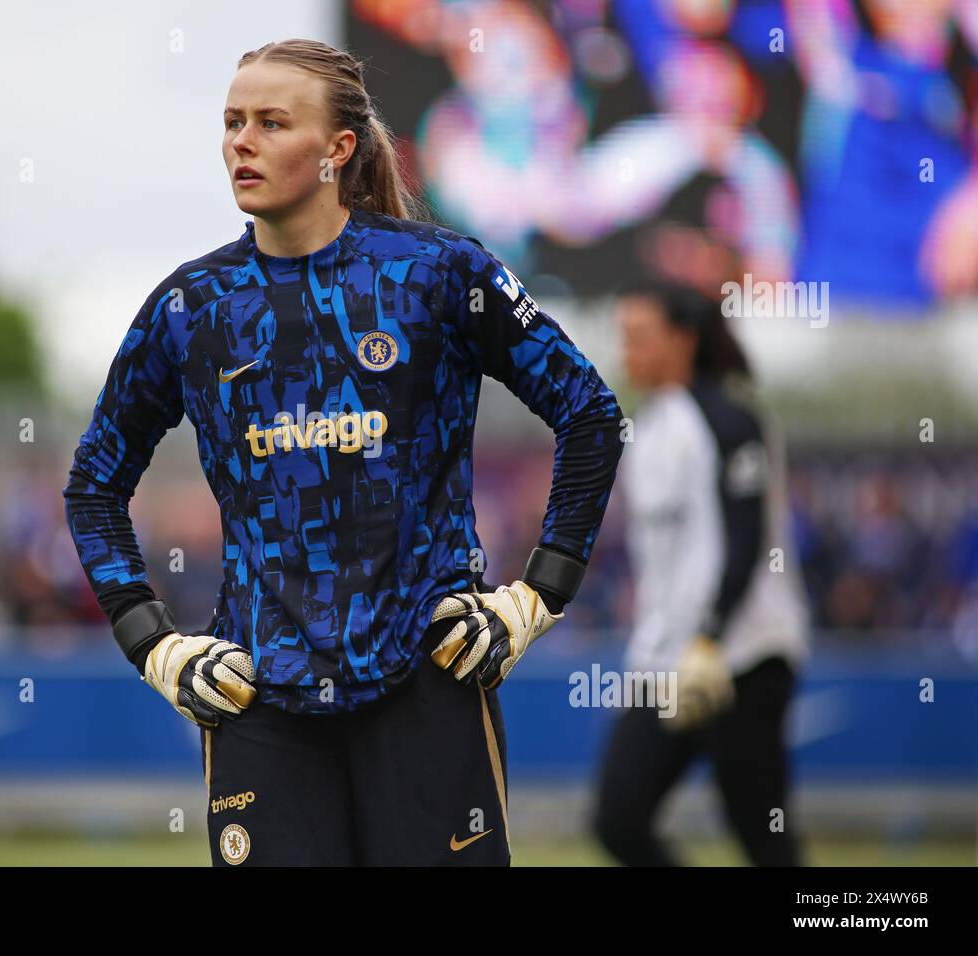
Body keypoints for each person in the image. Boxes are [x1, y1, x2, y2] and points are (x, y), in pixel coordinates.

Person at [63, 38, 624, 866]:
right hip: (259, 704)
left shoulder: (438, 273)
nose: (241, 142)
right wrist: (153, 642)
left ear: (338, 149)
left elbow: (591, 413)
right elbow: (93, 486)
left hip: (430, 685)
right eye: (231, 122)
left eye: (271, 122)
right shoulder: (191, 306)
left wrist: (537, 596)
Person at [593, 280, 809, 866]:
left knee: (760, 829)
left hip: (742, 654)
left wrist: (709, 636)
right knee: (618, 818)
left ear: (683, 339)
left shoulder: (730, 419)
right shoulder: (650, 428)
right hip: (669, 662)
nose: (627, 351)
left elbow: (747, 542)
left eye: (639, 337)